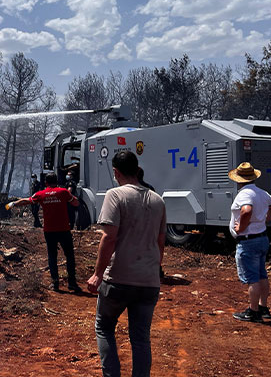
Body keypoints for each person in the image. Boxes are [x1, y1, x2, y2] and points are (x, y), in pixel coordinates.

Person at [87, 151, 167, 377]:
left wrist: (97, 274)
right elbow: (160, 241)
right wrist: (154, 268)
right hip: (148, 283)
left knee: (104, 327)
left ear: (116, 172)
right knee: (140, 338)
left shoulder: (115, 195)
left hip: (118, 280)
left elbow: (109, 237)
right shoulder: (157, 199)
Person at [7, 172, 80, 292]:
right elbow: (75, 202)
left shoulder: (41, 194)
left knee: (52, 256)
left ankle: (55, 284)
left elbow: (27, 201)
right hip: (64, 229)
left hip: (49, 230)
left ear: (45, 182)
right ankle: (72, 283)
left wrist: (13, 203)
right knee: (69, 256)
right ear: (56, 181)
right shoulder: (63, 192)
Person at [228, 162, 271, 322]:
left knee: (252, 278)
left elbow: (246, 210)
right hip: (261, 238)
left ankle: (253, 311)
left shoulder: (244, 194)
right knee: (261, 274)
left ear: (239, 179)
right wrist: (264, 221)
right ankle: (263, 307)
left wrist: (241, 228)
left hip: (248, 241)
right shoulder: (261, 193)